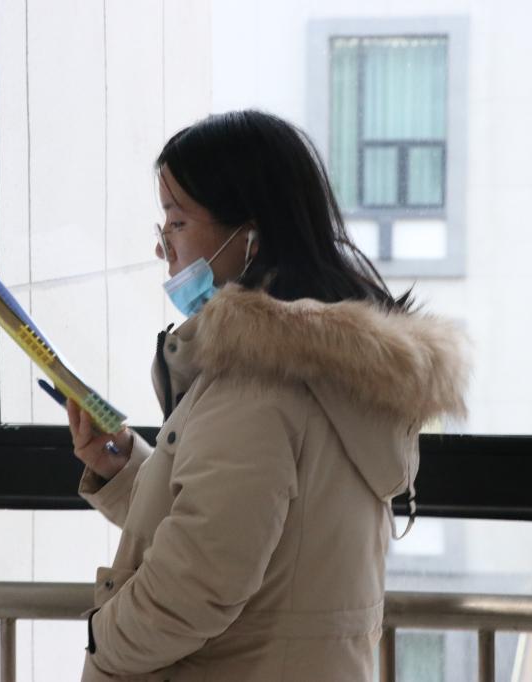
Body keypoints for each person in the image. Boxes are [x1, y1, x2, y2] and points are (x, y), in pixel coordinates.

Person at [66, 110, 469, 682]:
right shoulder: (329, 373)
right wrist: (126, 468)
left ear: (250, 237)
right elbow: (252, 534)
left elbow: (198, 584)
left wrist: (99, 637)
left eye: (176, 222)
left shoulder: (257, 384)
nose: (163, 248)